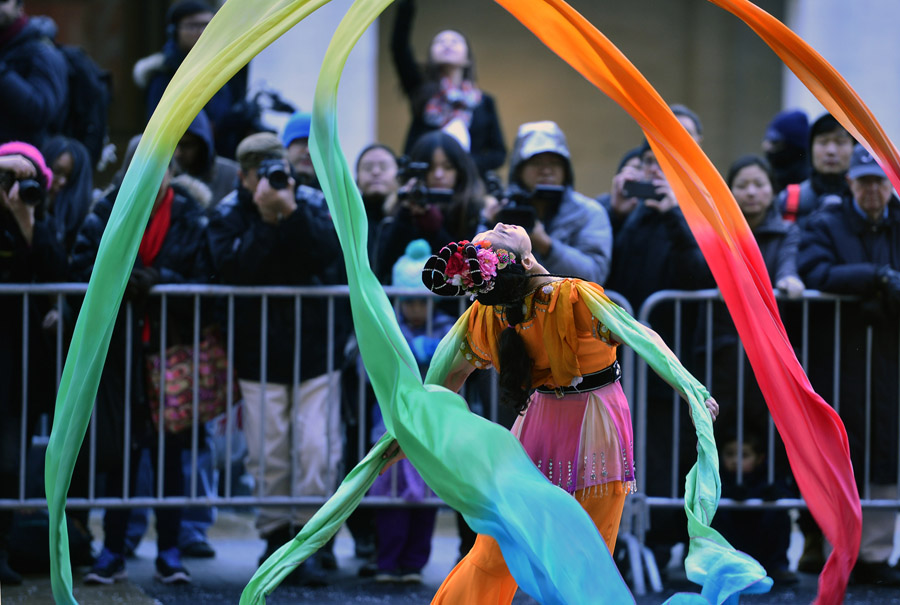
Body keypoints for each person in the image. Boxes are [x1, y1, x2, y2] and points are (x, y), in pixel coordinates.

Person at [388, 224, 717, 603]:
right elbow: (640, 336)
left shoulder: (487, 314)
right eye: (494, 238)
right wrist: (692, 390)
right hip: (593, 425)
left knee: (503, 545)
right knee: (584, 552)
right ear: (526, 261)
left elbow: (446, 380)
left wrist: (411, 430)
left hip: (542, 426)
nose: (497, 225)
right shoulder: (570, 296)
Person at [206, 132, 351, 585]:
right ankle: (274, 535)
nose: (270, 180)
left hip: (316, 348)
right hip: (257, 354)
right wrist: (266, 225)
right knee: (267, 450)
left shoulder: (309, 202)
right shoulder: (228, 212)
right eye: (259, 173)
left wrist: (288, 213)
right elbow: (232, 272)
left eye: (276, 170)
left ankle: (311, 539)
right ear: (244, 176)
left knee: (316, 448)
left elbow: (331, 255)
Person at [71, 157, 210, 585]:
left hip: (170, 348)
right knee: (121, 455)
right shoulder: (105, 210)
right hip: (118, 353)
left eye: (159, 165)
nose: (150, 175)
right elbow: (78, 267)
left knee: (170, 456)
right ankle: (113, 549)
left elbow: (205, 275)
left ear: (171, 171)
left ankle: (169, 551)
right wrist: (123, 278)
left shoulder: (190, 216)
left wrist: (158, 278)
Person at [798, 143, 900, 586]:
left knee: (887, 450)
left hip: (890, 358)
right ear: (851, 184)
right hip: (840, 357)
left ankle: (875, 554)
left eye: (879, 181)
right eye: (865, 182)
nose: (872, 191)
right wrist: (876, 278)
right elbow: (814, 271)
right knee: (844, 449)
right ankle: (843, 548)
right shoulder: (827, 221)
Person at [367, 239, 454, 583]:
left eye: (424, 301)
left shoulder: (446, 329)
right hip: (391, 424)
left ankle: (415, 562)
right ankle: (387, 561)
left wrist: (426, 350)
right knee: (389, 493)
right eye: (410, 301)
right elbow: (368, 365)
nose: (417, 309)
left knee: (426, 496)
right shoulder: (388, 330)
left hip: (432, 430)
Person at [0, 143, 65, 586]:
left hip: (18, 361)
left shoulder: (40, 220)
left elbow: (57, 272)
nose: (17, 188)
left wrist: (26, 222)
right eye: (8, 177)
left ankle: (0, 548)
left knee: (8, 459)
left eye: (27, 180)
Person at [390, 0, 506, 176]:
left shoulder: (484, 102)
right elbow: (399, 48)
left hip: (470, 185)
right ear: (431, 56)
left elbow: (499, 154)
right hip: (426, 180)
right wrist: (406, 5)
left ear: (467, 58)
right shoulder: (420, 90)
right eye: (440, 41)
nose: (447, 44)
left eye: (455, 41)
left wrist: (462, 164)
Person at [493, 120, 612, 285]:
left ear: (566, 169)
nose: (546, 170)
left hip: (570, 308)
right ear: (519, 170)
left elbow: (594, 275)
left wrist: (546, 245)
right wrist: (489, 226)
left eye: (554, 163)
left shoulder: (589, 213)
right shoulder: (503, 209)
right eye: (536, 162)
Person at [133, 0, 247, 159]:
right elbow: (161, 133)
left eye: (207, 25)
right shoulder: (164, 75)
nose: (201, 32)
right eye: (193, 26)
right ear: (174, 31)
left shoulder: (226, 67)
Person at [374, 131, 484, 283]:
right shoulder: (401, 206)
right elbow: (384, 265)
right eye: (430, 168)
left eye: (447, 167)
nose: (438, 174)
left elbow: (462, 268)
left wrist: (433, 227)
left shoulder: (471, 211)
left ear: (460, 170)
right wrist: (405, 214)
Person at [712, 419, 797, 585]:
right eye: (729, 454)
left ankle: (778, 566)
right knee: (713, 514)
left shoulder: (769, 474)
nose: (735, 460)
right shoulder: (718, 475)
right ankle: (717, 566)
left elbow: (787, 494)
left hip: (761, 539)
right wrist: (730, 494)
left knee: (779, 513)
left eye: (744, 455)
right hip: (732, 542)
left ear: (760, 458)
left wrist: (773, 494)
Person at [0, 0, 68, 147]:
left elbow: (41, 111)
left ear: (20, 7)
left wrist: (3, 74)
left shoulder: (41, 51)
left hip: (27, 162)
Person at [776, 112, 854, 226]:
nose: (831, 151)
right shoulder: (788, 200)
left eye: (840, 142)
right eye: (823, 142)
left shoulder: (868, 201)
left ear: (854, 148)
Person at [173, 109, 240, 208]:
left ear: (203, 144)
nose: (177, 153)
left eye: (186, 145)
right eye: (174, 145)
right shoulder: (166, 177)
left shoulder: (232, 175)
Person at [39, 135, 93, 256]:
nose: (62, 182)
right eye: (57, 171)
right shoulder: (27, 205)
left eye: (70, 177)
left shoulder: (84, 223)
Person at [761, 109, 810, 194]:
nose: (766, 146)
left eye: (775, 141)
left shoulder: (810, 187)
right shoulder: (765, 176)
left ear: (792, 146)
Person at [281, 111, 319, 190]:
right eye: (302, 142)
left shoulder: (335, 197)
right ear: (286, 148)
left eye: (316, 145)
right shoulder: (263, 187)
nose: (309, 151)